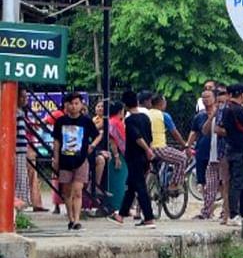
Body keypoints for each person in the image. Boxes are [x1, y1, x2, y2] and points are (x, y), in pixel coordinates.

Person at [51, 93, 100, 231]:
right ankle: (70, 218)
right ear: (66, 105)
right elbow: (56, 141)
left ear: (81, 105)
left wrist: (92, 146)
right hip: (65, 160)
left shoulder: (86, 121)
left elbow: (97, 135)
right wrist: (56, 158)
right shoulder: (60, 122)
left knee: (78, 191)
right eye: (71, 103)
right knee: (67, 192)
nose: (74, 106)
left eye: (76, 103)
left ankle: (77, 220)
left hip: (81, 160)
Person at [111, 91, 156, 228]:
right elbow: (149, 137)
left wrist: (147, 150)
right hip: (144, 157)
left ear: (125, 105)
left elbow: (137, 137)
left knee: (140, 187)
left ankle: (148, 217)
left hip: (135, 157)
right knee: (131, 186)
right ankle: (121, 215)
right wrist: (149, 150)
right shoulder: (145, 117)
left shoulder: (130, 120)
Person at [220, 84, 243, 224]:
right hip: (242, 151)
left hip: (231, 150)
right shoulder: (240, 109)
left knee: (235, 183)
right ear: (241, 95)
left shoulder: (226, 109)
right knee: (238, 184)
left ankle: (235, 212)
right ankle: (234, 215)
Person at [201, 88, 231, 222]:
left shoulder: (229, 115)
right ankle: (207, 211)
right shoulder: (213, 116)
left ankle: (226, 211)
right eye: (218, 102)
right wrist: (212, 116)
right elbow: (205, 131)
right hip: (213, 155)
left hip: (225, 154)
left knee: (225, 184)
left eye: (223, 102)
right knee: (210, 185)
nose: (220, 105)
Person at [150, 94, 188, 190]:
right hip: (159, 148)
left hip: (147, 148)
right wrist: (184, 144)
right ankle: (174, 185)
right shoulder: (164, 115)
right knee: (182, 158)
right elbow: (174, 132)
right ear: (161, 103)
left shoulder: (146, 113)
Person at [187, 90, 215, 219]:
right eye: (204, 97)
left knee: (217, 182)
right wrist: (187, 146)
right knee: (203, 182)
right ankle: (208, 208)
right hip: (202, 151)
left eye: (208, 97)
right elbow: (194, 133)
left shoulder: (220, 114)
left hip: (216, 152)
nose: (206, 99)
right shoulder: (199, 116)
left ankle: (215, 210)